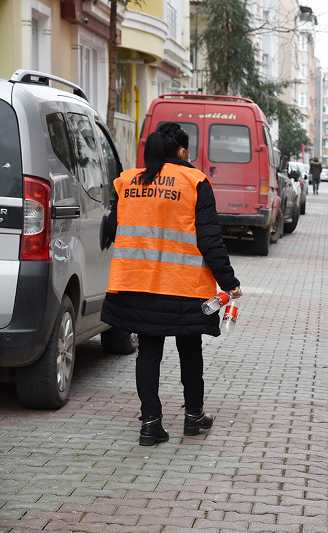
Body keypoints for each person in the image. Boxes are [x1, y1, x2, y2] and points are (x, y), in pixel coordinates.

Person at [101, 122, 242, 447]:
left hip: (136, 285)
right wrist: (229, 281)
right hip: (184, 286)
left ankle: (150, 424)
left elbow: (111, 229)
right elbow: (209, 239)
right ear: (181, 151)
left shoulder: (128, 182)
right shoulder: (195, 182)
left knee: (148, 351)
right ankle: (194, 418)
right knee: (190, 350)